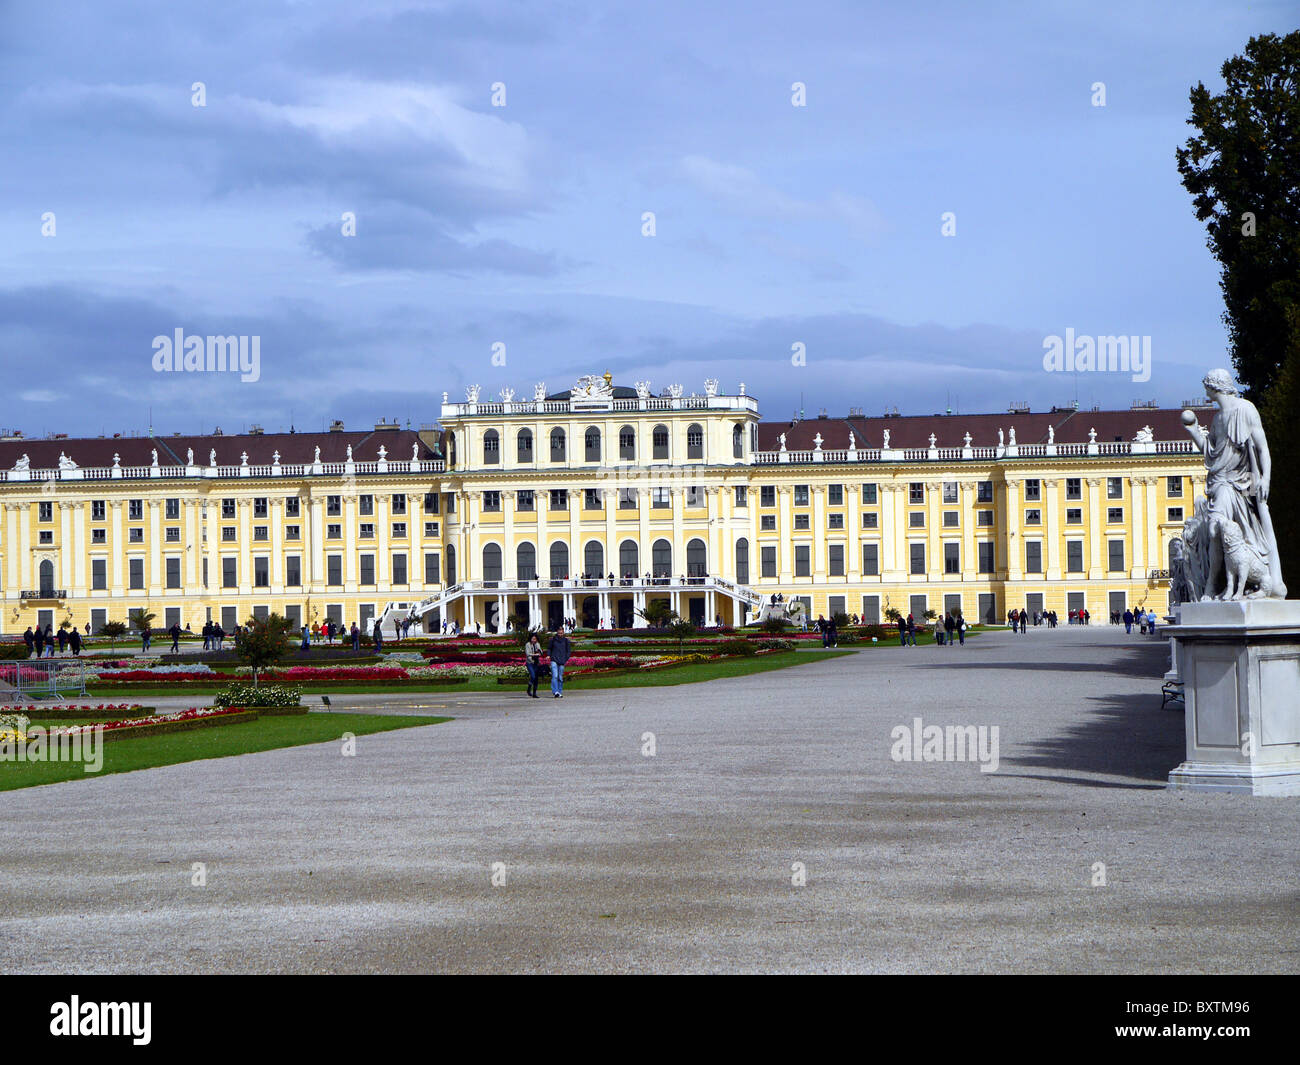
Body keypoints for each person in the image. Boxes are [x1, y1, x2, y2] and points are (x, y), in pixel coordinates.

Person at [547, 625, 571, 698]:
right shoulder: (553, 640)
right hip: (554, 659)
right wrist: (549, 655)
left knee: (560, 677)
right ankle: (555, 691)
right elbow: (549, 648)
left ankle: (559, 692)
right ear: (557, 632)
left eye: (561, 633)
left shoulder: (566, 641)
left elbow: (568, 651)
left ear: (563, 633)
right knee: (555, 676)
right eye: (559, 633)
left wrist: (566, 658)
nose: (560, 634)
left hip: (562, 660)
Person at [524, 633, 542, 698]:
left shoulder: (537, 644)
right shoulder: (527, 645)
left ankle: (534, 693)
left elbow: (540, 652)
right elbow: (528, 654)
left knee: (536, 678)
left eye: (535, 639)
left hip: (536, 663)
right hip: (530, 663)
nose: (534, 640)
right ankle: (529, 687)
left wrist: (539, 652)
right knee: (533, 676)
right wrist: (534, 655)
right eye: (533, 639)